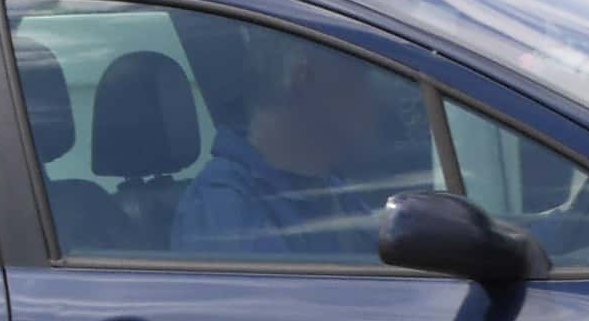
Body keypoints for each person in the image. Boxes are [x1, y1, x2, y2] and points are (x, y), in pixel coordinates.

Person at [168, 34, 418, 262]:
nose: (375, 101)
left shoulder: (328, 188)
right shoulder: (224, 207)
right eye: (359, 79)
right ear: (304, 80)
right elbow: (280, 308)